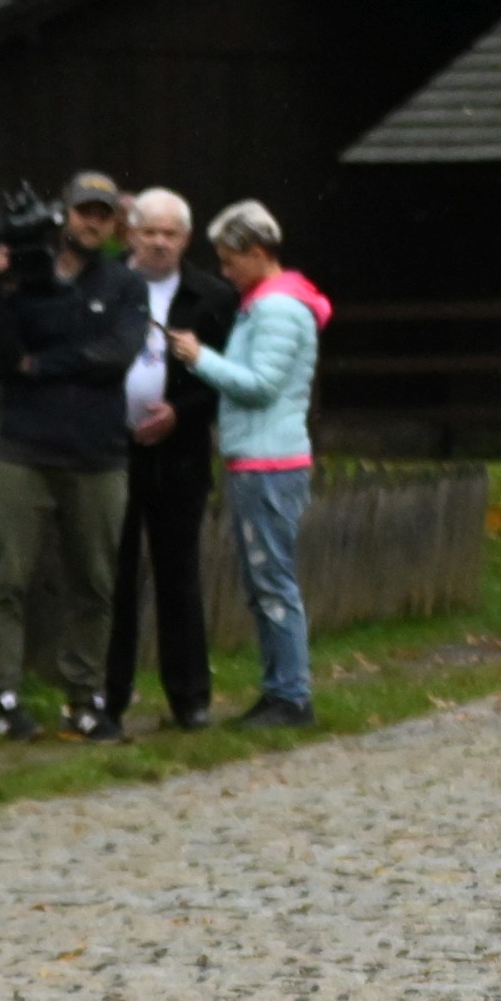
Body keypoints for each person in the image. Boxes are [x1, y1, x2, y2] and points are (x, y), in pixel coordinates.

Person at [0, 172, 142, 742]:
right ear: (64, 214)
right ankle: (3, 695)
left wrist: (43, 364)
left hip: (98, 457)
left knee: (94, 583)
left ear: (114, 223)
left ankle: (83, 696)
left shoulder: (125, 283)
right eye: (83, 210)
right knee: (6, 579)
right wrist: (3, 292)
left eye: (103, 214)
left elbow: (116, 354)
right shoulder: (25, 279)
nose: (92, 222)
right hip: (23, 451)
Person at [168, 200, 324, 729]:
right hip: (258, 460)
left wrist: (199, 358)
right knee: (264, 583)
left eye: (230, 259)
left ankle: (291, 696)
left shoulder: (276, 309)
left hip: (270, 462)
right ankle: (280, 689)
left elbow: (260, 386)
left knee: (272, 582)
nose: (224, 270)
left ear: (257, 251)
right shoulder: (264, 304)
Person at [103, 186, 237, 731]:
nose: (159, 242)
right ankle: (108, 696)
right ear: (130, 233)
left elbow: (227, 377)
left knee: (178, 573)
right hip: (112, 451)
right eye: (149, 232)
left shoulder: (212, 297)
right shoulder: (105, 284)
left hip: (180, 453)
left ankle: (190, 697)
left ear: (186, 238)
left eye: (170, 234)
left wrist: (181, 413)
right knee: (113, 576)